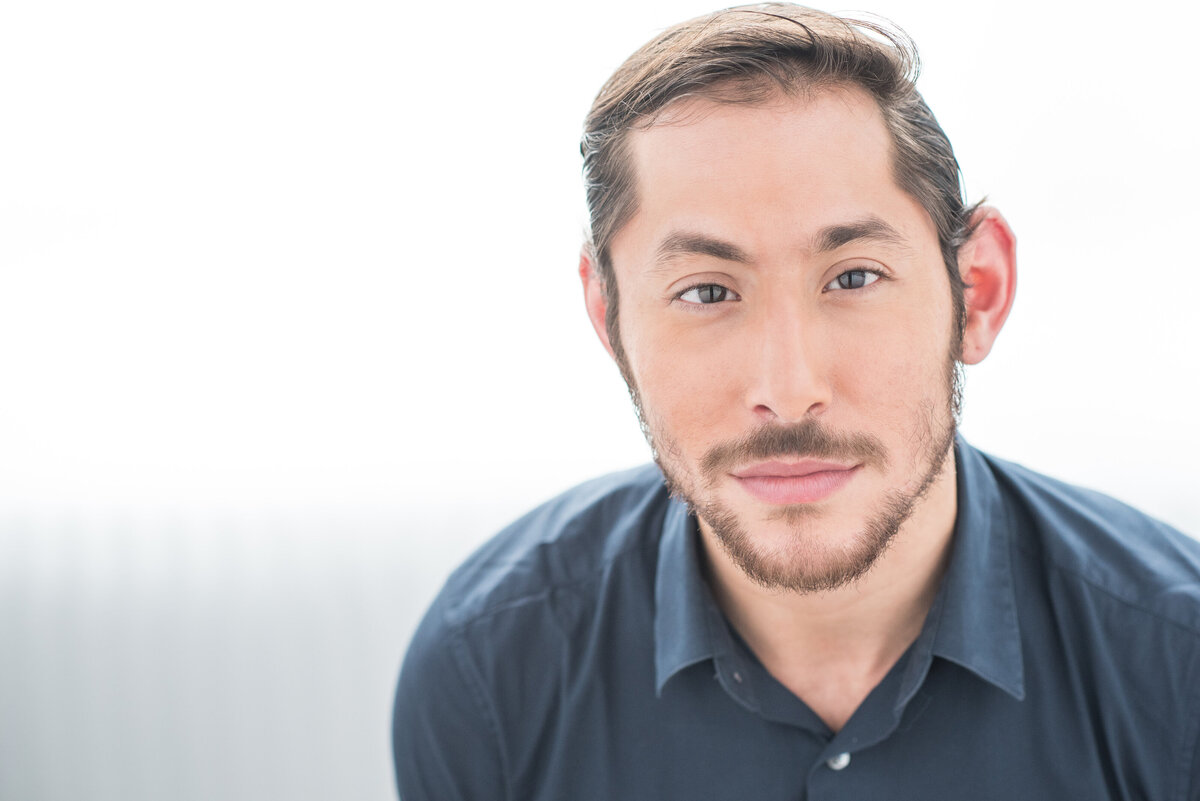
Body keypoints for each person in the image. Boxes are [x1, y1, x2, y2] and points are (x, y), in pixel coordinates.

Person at [392, 4, 1200, 798]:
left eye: (853, 277)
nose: (787, 391)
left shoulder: (1177, 668)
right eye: (707, 290)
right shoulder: (489, 674)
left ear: (976, 291)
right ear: (610, 316)